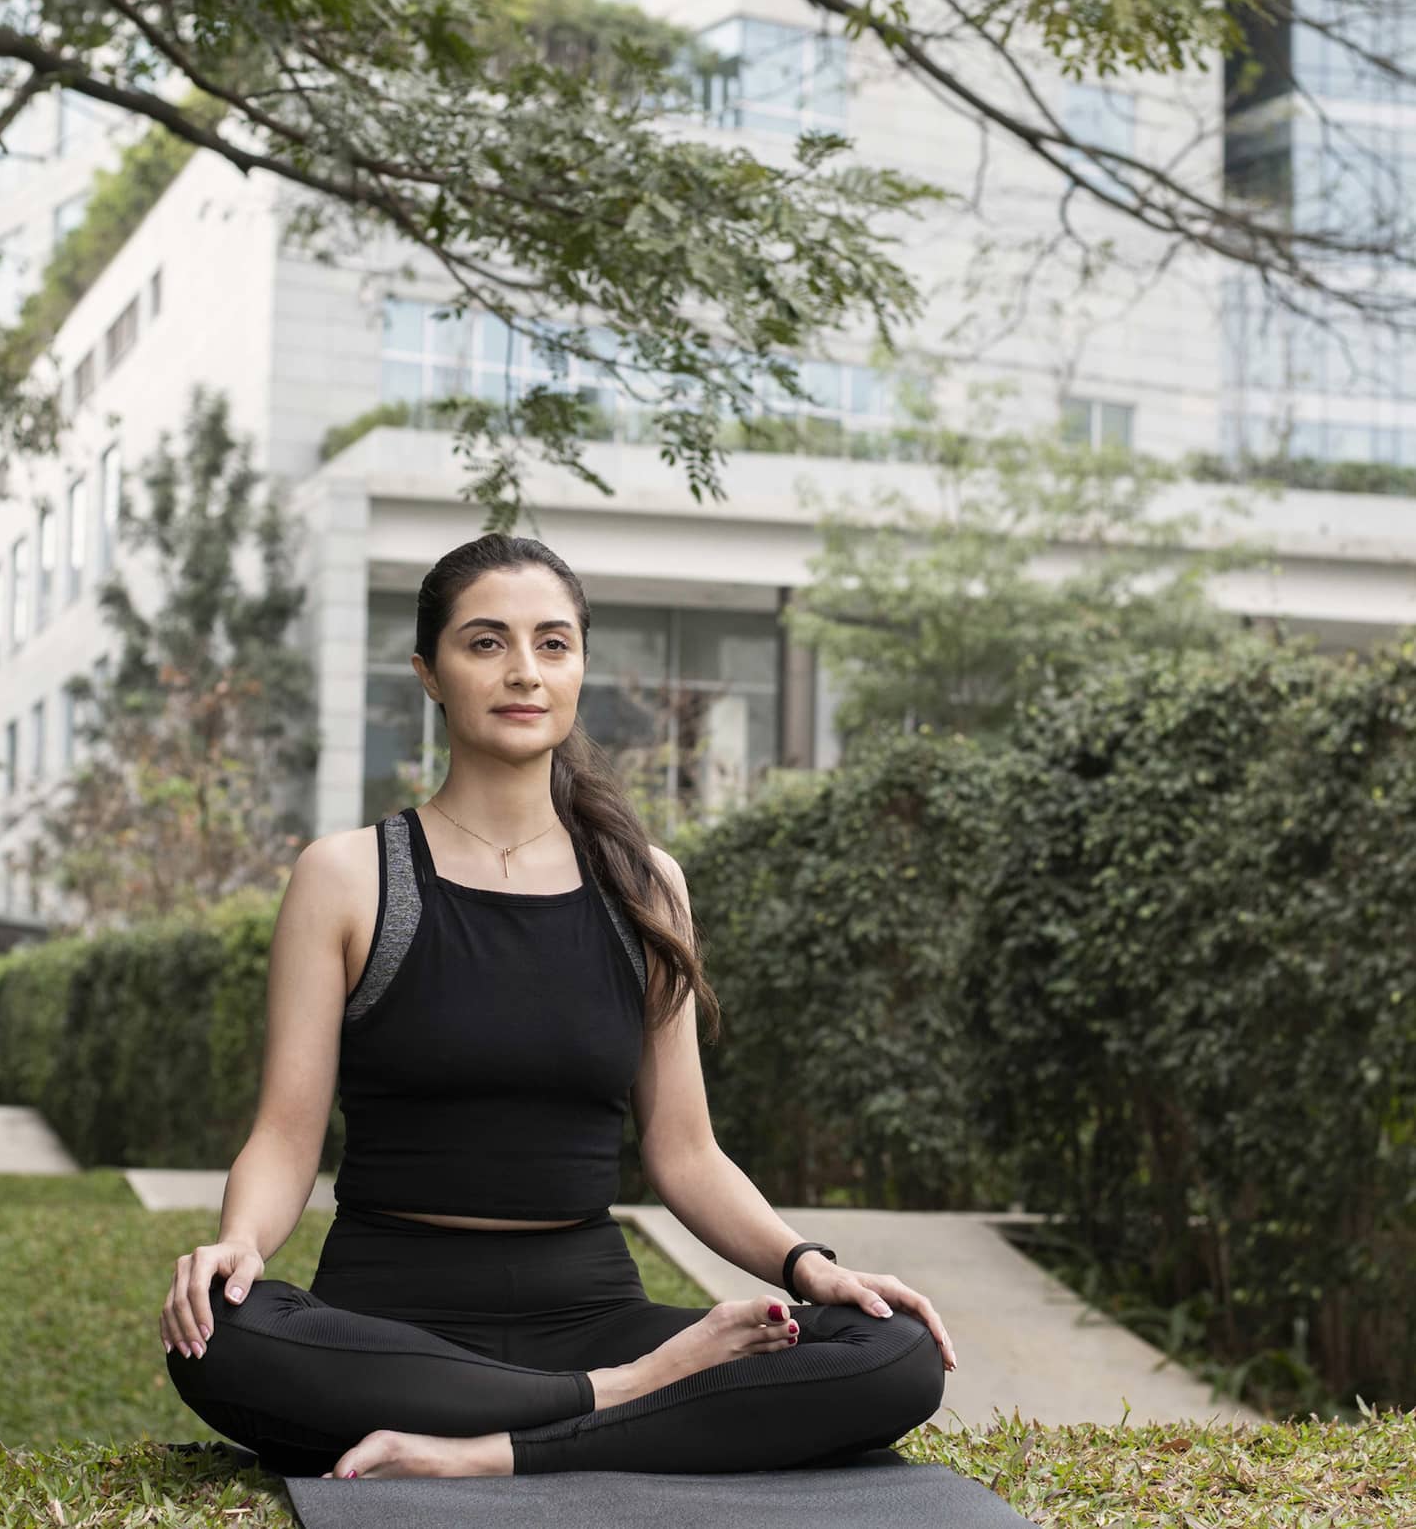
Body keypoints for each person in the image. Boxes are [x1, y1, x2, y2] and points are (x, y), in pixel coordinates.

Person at [161, 533, 955, 1481]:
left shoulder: (644, 886)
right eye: (485, 643)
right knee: (223, 1335)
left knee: (893, 1351)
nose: (523, 672)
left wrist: (808, 1267)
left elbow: (686, 1152)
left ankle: (487, 1448)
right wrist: (239, 1246)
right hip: (390, 1324)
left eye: (552, 644)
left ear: (580, 667)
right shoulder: (348, 876)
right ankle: (619, 1401)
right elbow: (286, 1135)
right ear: (429, 672)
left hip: (592, 1312)